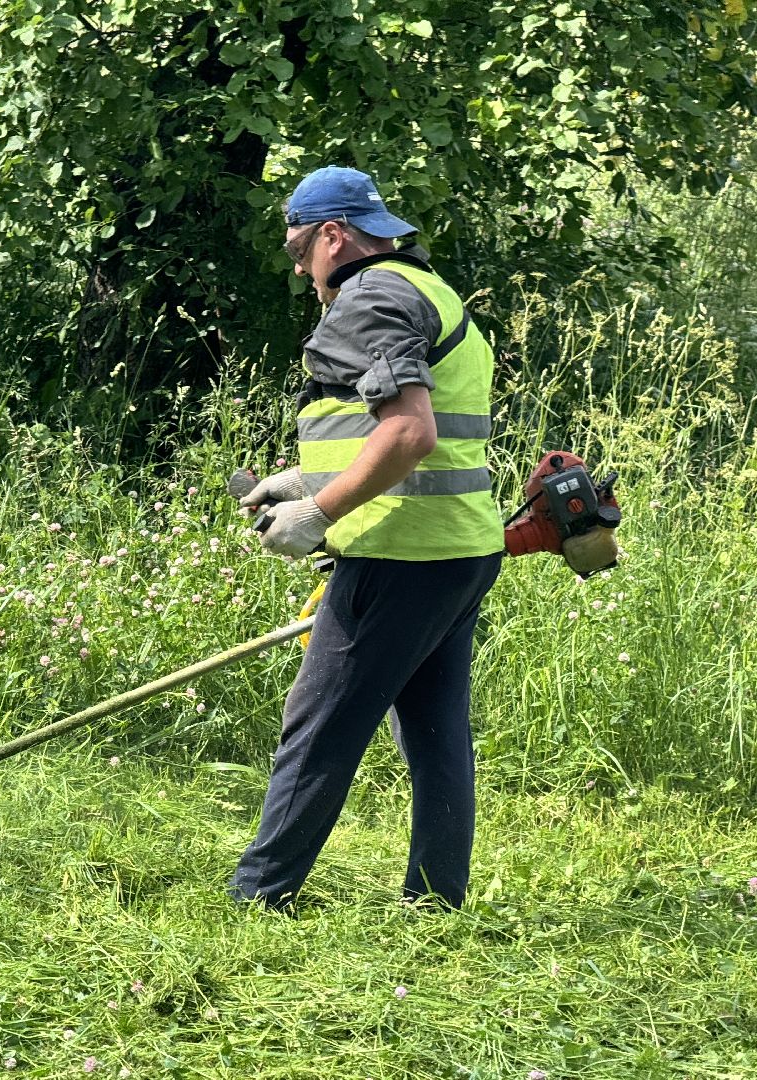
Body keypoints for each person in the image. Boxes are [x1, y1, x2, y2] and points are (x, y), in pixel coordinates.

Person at [230, 166, 504, 912]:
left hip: (398, 549)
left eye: (297, 251)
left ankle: (258, 898)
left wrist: (321, 510)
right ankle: (436, 901)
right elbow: (401, 424)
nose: (299, 269)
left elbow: (411, 433)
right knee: (434, 729)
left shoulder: (370, 295)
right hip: (457, 548)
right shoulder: (430, 288)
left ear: (332, 235)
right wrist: (306, 477)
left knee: (317, 727)